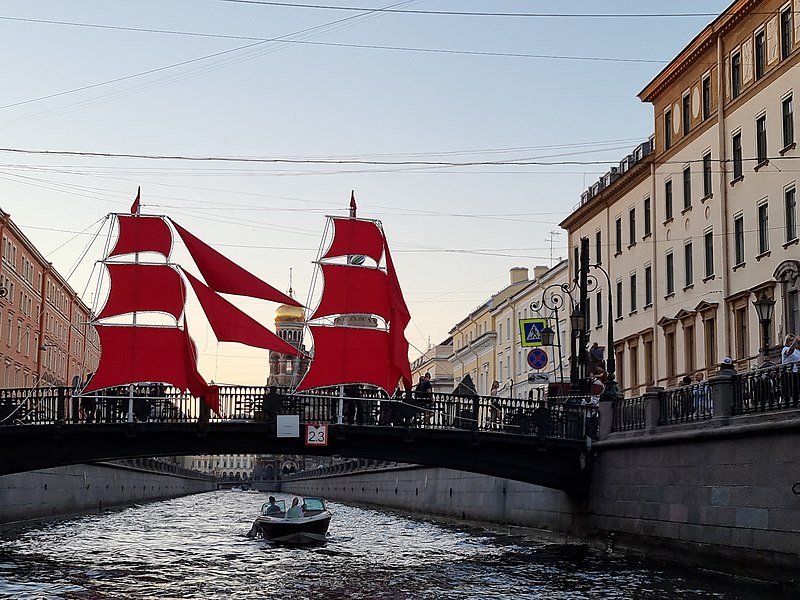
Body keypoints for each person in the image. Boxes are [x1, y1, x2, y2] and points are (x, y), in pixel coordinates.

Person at [780, 334, 800, 405]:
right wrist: (795, 341)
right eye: (790, 340)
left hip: (797, 371)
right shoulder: (785, 349)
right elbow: (789, 352)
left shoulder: (797, 351)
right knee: (792, 390)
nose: (792, 342)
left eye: (793, 340)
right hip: (789, 373)